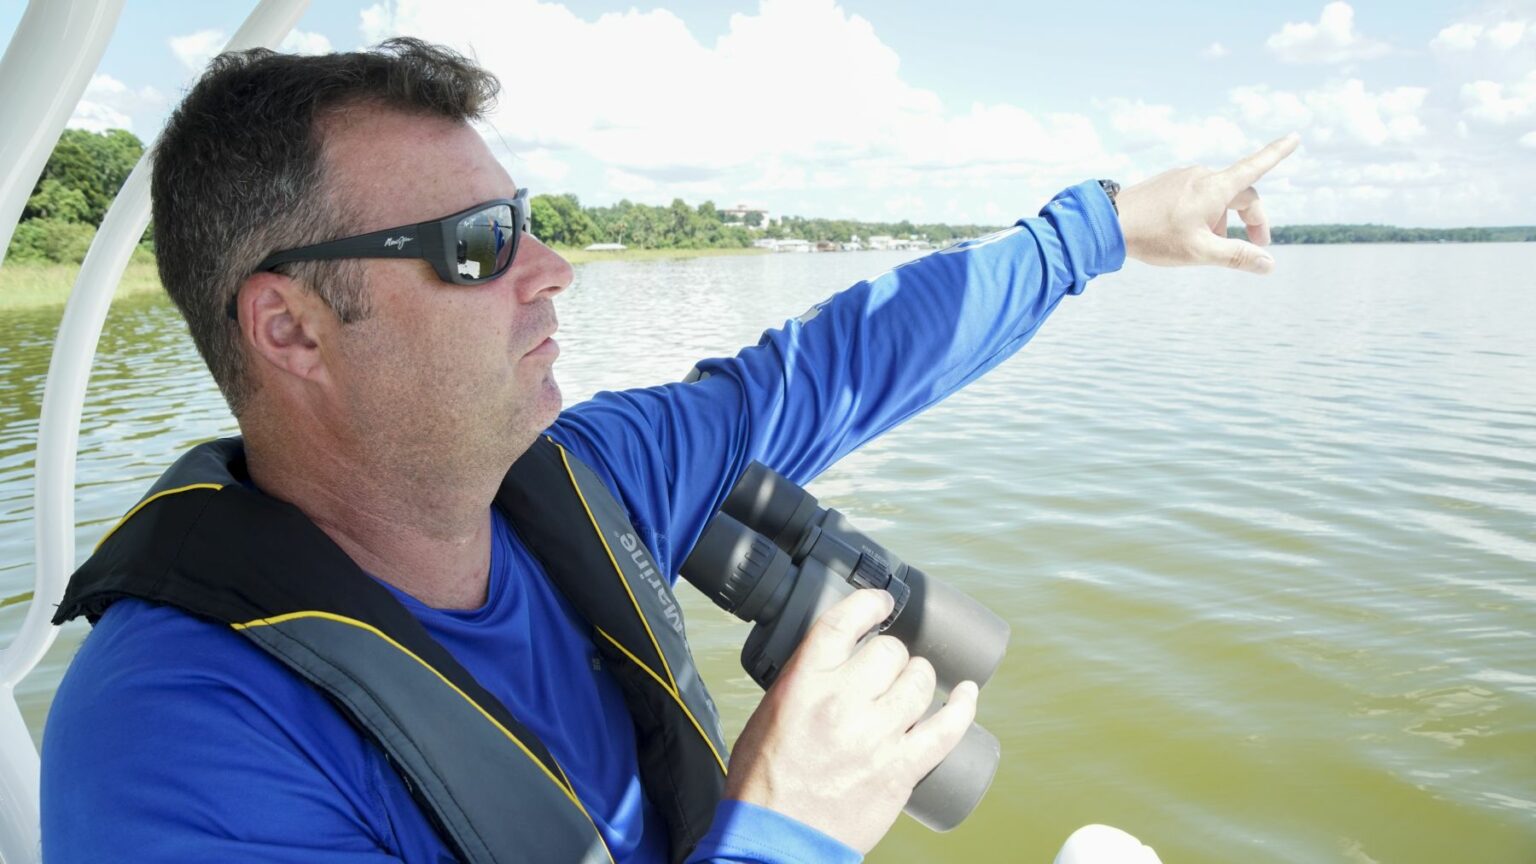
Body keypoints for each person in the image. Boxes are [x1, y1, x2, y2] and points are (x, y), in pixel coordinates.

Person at [40, 39, 1296, 864]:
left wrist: (1105, 232)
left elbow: (839, 361)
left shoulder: (588, 480)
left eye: (527, 224)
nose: (553, 270)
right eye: (477, 245)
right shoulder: (173, 744)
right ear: (291, 328)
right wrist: (788, 831)